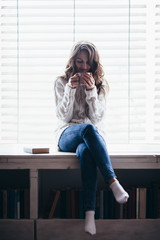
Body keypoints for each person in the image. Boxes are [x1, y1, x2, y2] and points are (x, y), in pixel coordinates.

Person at [54, 41, 129, 235]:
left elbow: (97, 118)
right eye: (79, 62)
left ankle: (89, 214)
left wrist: (91, 92)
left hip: (92, 137)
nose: (84, 67)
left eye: (88, 63)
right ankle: (112, 181)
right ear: (73, 61)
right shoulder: (61, 82)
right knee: (86, 128)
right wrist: (70, 90)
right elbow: (63, 116)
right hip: (67, 133)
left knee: (87, 151)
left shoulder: (101, 85)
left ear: (94, 64)